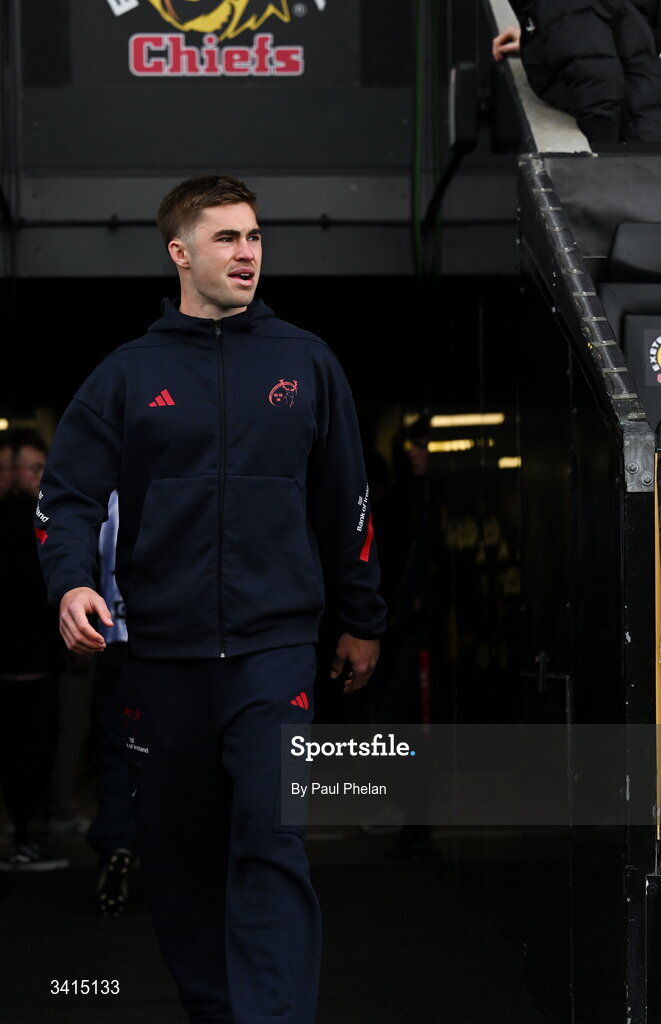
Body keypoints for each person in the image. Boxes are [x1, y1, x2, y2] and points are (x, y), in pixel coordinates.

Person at [36, 174, 386, 1024]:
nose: (246, 252)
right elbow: (66, 496)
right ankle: (215, 1011)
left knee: (271, 835)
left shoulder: (306, 361)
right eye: (226, 237)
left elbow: (347, 501)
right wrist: (72, 581)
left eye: (254, 236)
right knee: (180, 855)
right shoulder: (128, 373)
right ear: (179, 252)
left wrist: (362, 618)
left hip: (275, 651)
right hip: (162, 654)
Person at [0, 428, 68, 871]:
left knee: (32, 751)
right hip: (23, 659)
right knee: (26, 751)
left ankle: (26, 834)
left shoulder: (39, 514)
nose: (41, 476)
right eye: (34, 468)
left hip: (34, 658)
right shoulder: (21, 519)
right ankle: (23, 838)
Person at [491, 0, 661, 145]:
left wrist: (600, 167)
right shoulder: (560, 13)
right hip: (640, 139)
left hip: (636, 149)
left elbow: (600, 97)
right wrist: (544, 35)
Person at [85, 489, 135, 916]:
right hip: (173, 644)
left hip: (115, 639)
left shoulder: (107, 497)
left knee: (117, 751)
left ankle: (118, 844)